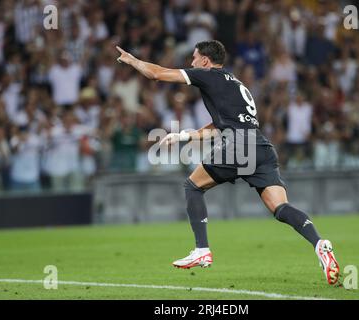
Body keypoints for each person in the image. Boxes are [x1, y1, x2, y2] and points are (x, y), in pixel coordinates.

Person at [116, 40, 340, 285]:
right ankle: (320, 243)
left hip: (239, 145)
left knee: (193, 186)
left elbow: (156, 73)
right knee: (280, 208)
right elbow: (219, 126)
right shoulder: (235, 82)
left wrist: (133, 60)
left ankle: (202, 250)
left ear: (205, 61)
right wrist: (183, 135)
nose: (191, 63)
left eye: (194, 58)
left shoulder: (207, 75)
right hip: (261, 146)